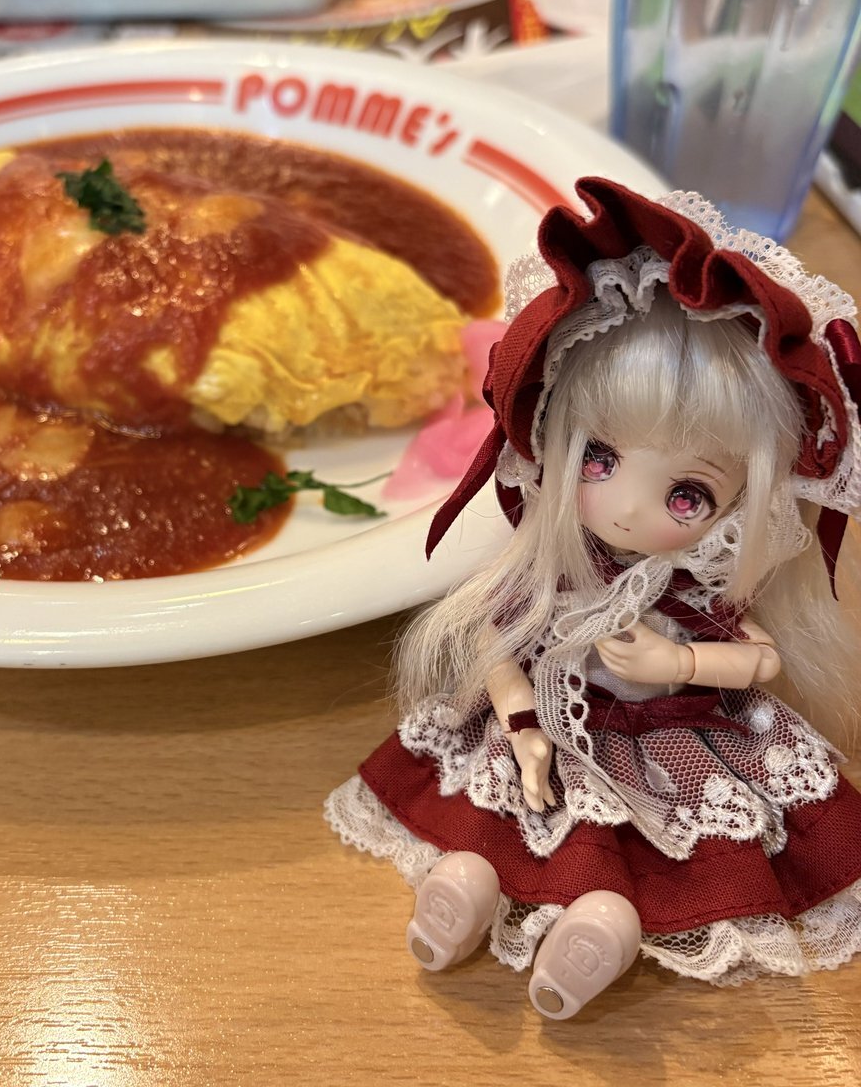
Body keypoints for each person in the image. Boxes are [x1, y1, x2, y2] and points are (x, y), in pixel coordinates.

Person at [325, 177, 861, 1019]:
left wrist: (678, 660)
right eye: (599, 460)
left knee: (648, 856)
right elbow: (498, 641)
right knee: (502, 828)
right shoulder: (562, 572)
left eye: (687, 494)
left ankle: (600, 935)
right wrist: (520, 724)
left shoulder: (694, 587)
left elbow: (761, 660)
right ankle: (465, 892)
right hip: (549, 726)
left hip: (675, 735)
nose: (626, 509)